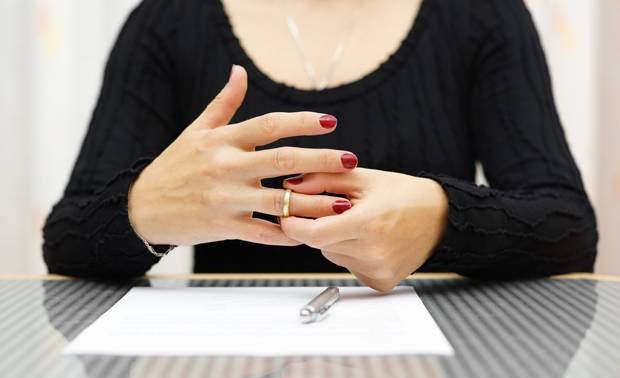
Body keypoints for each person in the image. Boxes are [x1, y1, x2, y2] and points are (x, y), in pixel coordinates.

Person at [42, 0, 598, 291]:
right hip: (225, 374)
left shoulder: (483, 15)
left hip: (425, 372)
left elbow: (568, 228)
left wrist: (441, 219)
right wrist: (147, 208)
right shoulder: (166, 22)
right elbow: (68, 239)